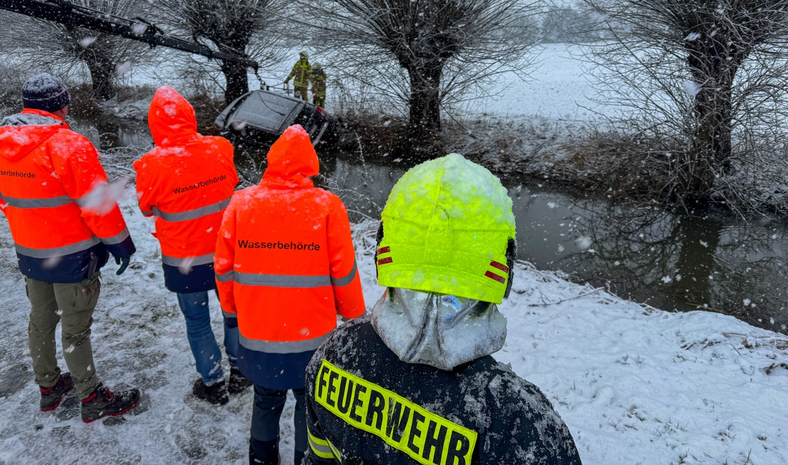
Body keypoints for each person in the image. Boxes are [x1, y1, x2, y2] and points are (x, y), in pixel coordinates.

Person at [303, 154, 583, 464]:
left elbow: (318, 457)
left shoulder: (335, 355)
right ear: (503, 263)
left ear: (386, 246)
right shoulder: (519, 423)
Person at [215, 124, 366, 465]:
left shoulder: (241, 203)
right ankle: (304, 458)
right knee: (309, 402)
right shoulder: (327, 206)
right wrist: (355, 320)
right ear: (311, 165)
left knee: (265, 398)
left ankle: (261, 458)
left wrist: (231, 313)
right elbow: (343, 272)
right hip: (312, 338)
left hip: (258, 332)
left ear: (271, 161)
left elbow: (223, 267)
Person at [0, 73, 141, 423]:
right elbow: (97, 205)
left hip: (31, 253)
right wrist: (121, 244)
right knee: (75, 329)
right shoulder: (68, 145)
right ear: (62, 105)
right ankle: (91, 396)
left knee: (41, 320)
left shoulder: (3, 142)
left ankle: (49, 387)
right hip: (73, 256)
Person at [133, 86, 249, 405]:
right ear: (190, 117)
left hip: (184, 259)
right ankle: (241, 372)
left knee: (196, 320)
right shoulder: (220, 148)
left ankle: (213, 383)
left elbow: (146, 207)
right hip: (227, 252)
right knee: (233, 315)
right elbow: (232, 183)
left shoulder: (149, 165)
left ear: (154, 124)